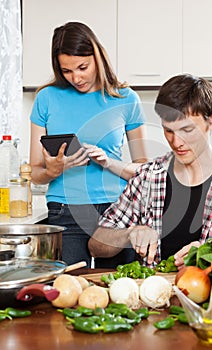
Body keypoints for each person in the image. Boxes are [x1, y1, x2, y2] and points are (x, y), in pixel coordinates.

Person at [88, 73, 212, 269]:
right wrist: (129, 233)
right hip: (156, 296)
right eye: (168, 131)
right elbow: (95, 245)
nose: (176, 142)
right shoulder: (148, 176)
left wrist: (209, 253)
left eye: (187, 130)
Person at [29, 22, 148, 268]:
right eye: (67, 71)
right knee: (68, 292)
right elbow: (34, 173)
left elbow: (144, 169)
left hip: (118, 209)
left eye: (82, 67)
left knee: (119, 290)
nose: (76, 78)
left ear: (98, 57)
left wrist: (109, 161)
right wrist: (54, 169)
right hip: (65, 211)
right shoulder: (46, 99)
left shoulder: (126, 99)